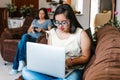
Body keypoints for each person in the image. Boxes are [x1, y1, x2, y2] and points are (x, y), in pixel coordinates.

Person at [22, 4, 91, 80]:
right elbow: (50, 53)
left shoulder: (81, 34)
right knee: (25, 70)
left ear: (71, 20)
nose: (60, 26)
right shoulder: (52, 33)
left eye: (64, 22)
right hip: (53, 68)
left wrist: (70, 62)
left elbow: (86, 57)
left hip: (72, 69)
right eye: (57, 22)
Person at [9, 7, 53, 75]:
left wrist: (42, 30)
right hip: (29, 36)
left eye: (43, 13)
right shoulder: (35, 20)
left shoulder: (48, 21)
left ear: (45, 14)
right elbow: (28, 30)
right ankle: (21, 61)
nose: (41, 15)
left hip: (36, 39)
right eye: (40, 13)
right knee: (24, 36)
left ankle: (15, 67)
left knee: (20, 43)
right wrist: (31, 29)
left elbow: (51, 32)